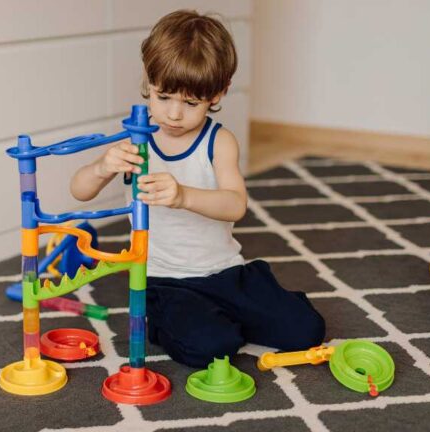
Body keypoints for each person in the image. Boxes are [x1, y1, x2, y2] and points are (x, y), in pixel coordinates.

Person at [70, 9, 325, 368]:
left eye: (190, 103)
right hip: (165, 279)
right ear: (149, 81)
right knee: (213, 348)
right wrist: (102, 167)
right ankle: (170, 319)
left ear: (218, 93)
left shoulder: (219, 142)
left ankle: (233, 312)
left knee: (307, 330)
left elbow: (235, 204)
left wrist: (184, 196)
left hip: (226, 272)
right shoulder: (135, 139)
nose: (174, 114)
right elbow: (80, 190)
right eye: (163, 97)